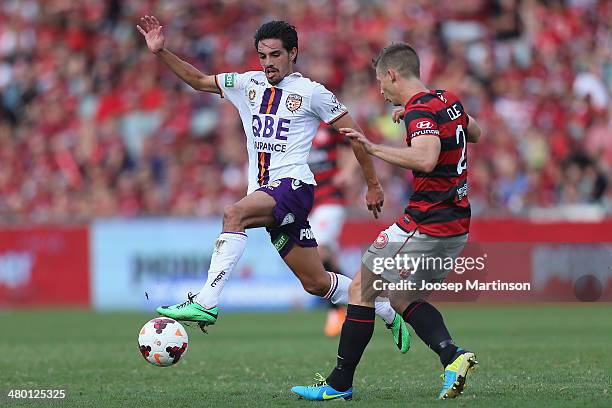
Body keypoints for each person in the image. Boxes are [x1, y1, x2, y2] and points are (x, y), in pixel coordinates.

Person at [136, 16, 409, 352]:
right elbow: (198, 80)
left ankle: (206, 301)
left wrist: (373, 184)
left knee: (233, 214)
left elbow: (355, 136)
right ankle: (383, 306)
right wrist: (161, 52)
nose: (268, 63)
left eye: (276, 55)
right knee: (316, 282)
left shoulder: (312, 93)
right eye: (263, 56)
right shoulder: (246, 84)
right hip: (268, 194)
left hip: (293, 186)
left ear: (293, 53)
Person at [291, 42, 482, 401]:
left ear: (393, 75)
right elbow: (474, 132)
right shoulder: (445, 101)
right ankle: (452, 357)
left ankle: (339, 383)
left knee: (360, 289)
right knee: (400, 296)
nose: (381, 90)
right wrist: (413, 117)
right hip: (455, 223)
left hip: (425, 221)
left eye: (381, 82)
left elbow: (426, 160)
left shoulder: (421, 111)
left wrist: (375, 147)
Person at [308, 124, 354, 336]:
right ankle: (360, 300)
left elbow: (354, 145)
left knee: (319, 252)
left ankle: (337, 310)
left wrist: (347, 171)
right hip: (306, 202)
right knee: (328, 261)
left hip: (330, 198)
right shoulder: (293, 123)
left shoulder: (329, 124)